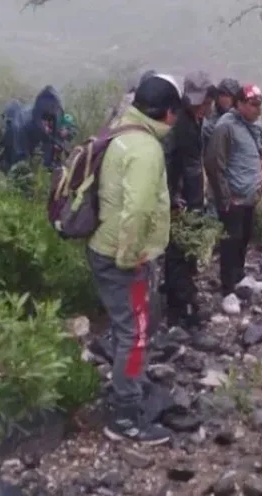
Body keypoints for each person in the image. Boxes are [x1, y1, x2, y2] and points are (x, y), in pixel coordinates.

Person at [84, 72, 183, 445]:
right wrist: (130, 259)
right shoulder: (146, 149)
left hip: (106, 247)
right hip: (122, 254)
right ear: (168, 113)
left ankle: (131, 384)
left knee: (132, 327)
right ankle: (125, 418)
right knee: (134, 332)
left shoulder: (121, 132)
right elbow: (138, 209)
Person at [204, 83, 262, 315]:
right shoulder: (225, 127)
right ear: (239, 103)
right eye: (253, 105)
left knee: (245, 237)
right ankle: (227, 289)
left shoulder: (252, 126)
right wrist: (225, 197)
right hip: (233, 197)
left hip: (249, 195)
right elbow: (214, 164)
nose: (258, 110)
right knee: (230, 242)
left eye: (259, 105)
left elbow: (255, 147)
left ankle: (240, 276)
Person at [162, 71, 216, 328]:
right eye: (198, 102)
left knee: (186, 252)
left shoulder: (196, 122)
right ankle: (182, 308)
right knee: (178, 253)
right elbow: (170, 164)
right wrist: (173, 197)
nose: (201, 107)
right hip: (181, 201)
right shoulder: (180, 125)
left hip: (192, 199)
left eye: (204, 102)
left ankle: (179, 303)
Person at [0, 85, 69, 176]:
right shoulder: (20, 126)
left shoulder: (50, 120)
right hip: (15, 154)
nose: (49, 124)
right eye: (46, 120)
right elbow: (19, 161)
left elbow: (51, 144)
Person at [201, 78, 243, 147]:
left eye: (228, 96)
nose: (224, 99)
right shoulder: (210, 116)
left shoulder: (242, 118)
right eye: (222, 95)